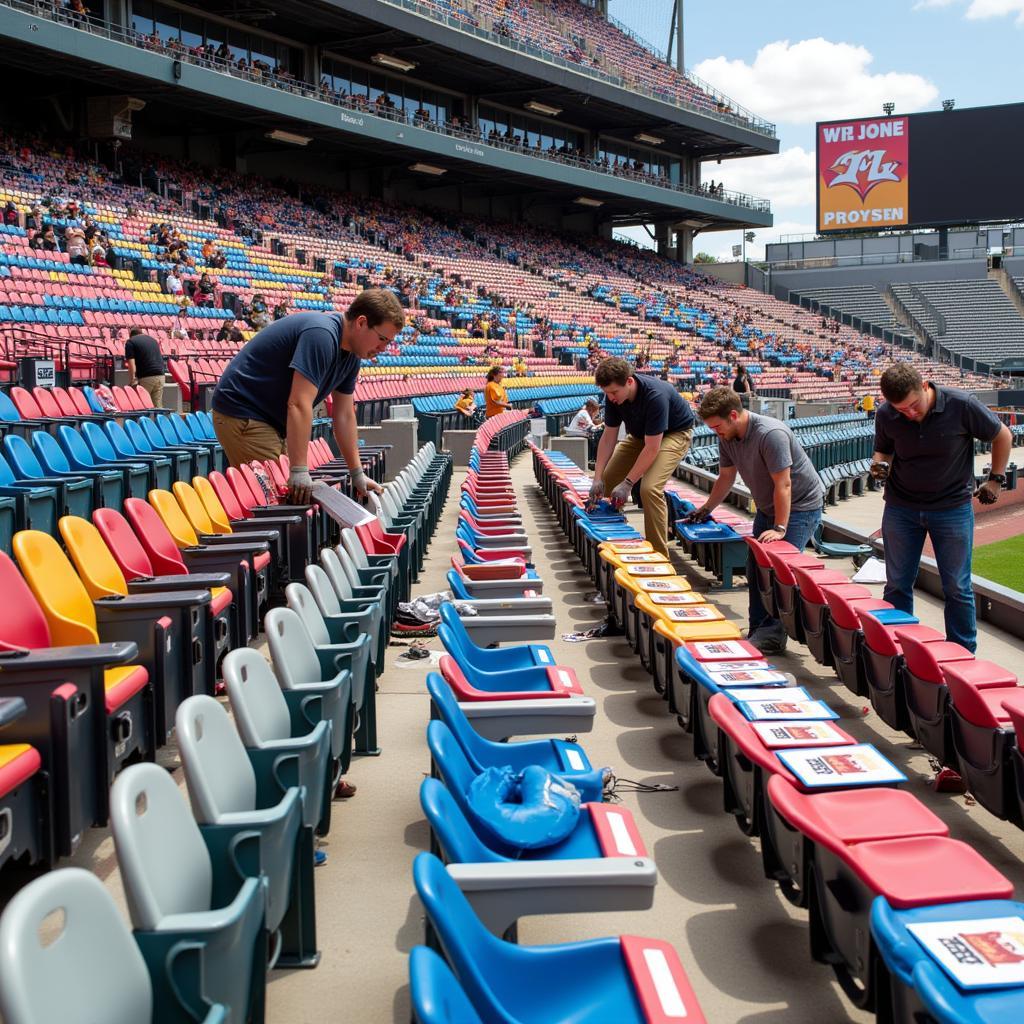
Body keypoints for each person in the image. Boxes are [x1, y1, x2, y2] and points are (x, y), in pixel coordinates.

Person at [211, 288, 403, 503]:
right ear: (361, 322)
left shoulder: (352, 355)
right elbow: (299, 403)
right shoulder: (321, 334)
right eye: (382, 338)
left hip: (272, 419)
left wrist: (357, 473)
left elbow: (344, 415)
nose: (384, 348)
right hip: (245, 412)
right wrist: (300, 470)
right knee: (277, 499)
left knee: (289, 494)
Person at [871, 363, 1012, 653]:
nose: (909, 413)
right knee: (896, 584)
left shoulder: (961, 405)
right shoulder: (886, 413)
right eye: (901, 410)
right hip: (901, 506)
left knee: (957, 588)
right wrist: (880, 464)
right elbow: (883, 448)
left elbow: (1003, 435)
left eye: (913, 406)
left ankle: (961, 655)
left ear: (925, 387)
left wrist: (996, 480)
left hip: (951, 508)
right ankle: (898, 650)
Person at [688, 387, 825, 653]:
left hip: (799, 508)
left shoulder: (770, 434)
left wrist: (780, 528)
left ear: (733, 415)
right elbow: (726, 477)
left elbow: (784, 485)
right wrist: (705, 509)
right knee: (755, 568)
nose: (716, 432)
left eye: (717, 426)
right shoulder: (726, 435)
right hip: (767, 507)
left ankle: (773, 635)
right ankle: (758, 630)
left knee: (777, 571)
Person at [588, 358, 695, 558]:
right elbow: (608, 438)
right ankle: (615, 538)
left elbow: (652, 448)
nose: (610, 398)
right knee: (609, 479)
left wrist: (628, 483)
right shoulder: (614, 397)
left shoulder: (655, 396)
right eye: (607, 393)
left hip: (674, 434)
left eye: (613, 392)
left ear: (629, 382)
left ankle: (659, 556)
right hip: (640, 434)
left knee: (649, 488)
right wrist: (597, 478)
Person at [123, 327, 166, 408]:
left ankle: (143, 420)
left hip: (146, 377)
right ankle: (158, 420)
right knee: (157, 405)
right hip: (161, 375)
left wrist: (132, 379)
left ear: (131, 335)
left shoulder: (131, 342)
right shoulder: (153, 340)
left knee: (141, 405)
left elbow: (131, 363)